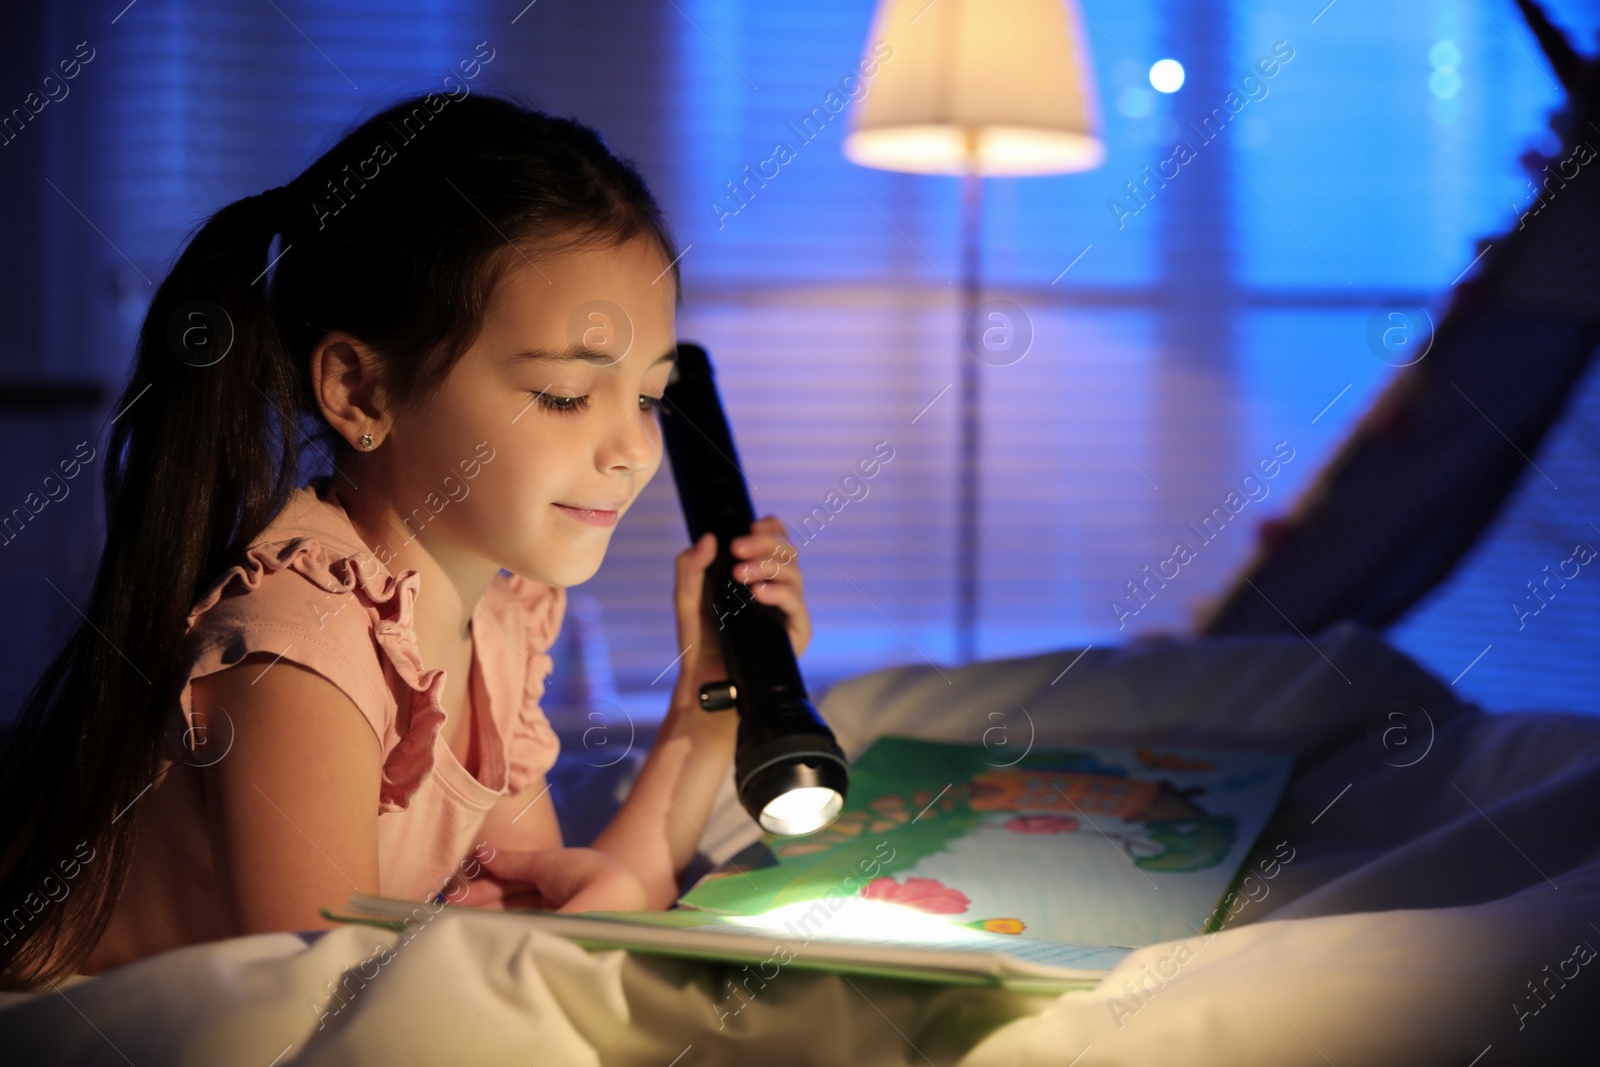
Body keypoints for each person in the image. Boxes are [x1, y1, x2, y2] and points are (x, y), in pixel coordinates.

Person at [0, 91, 810, 990]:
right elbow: (332, 1023)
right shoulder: (302, 664)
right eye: (565, 396)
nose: (631, 451)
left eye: (650, 397)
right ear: (360, 392)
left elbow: (544, 910)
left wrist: (711, 706)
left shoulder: (491, 625)